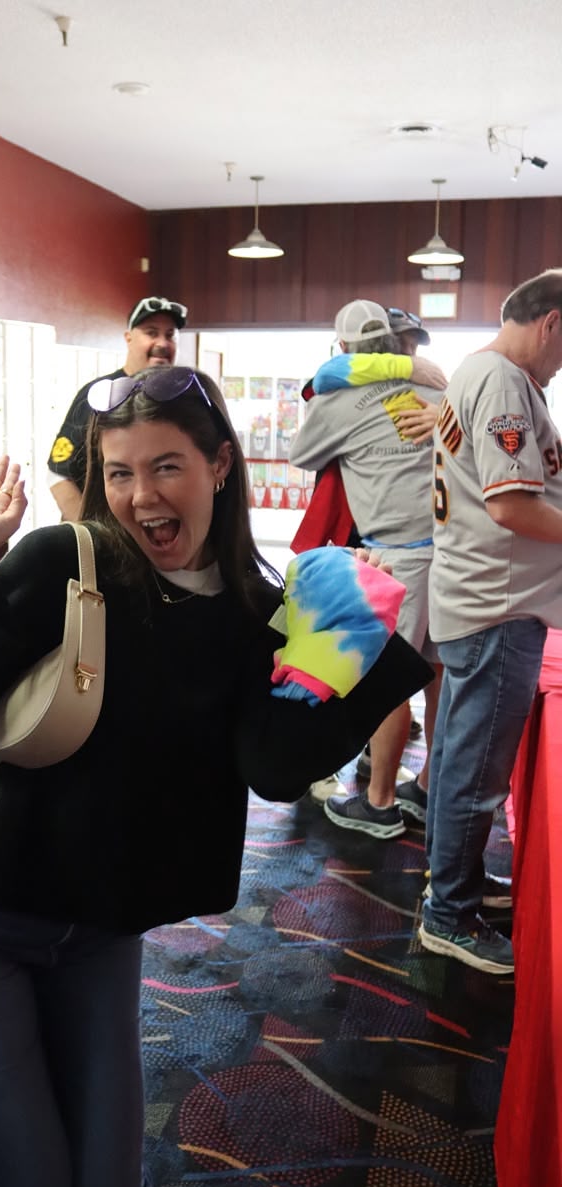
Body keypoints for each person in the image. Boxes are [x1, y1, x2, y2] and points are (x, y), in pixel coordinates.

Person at [0, 364, 431, 1187]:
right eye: (119, 472)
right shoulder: (69, 564)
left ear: (220, 465)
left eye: (166, 466)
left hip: (104, 926)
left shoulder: (255, 607)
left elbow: (275, 768)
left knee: (108, 1178)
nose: (141, 496)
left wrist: (349, 643)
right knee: (37, 1176)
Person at [420, 268, 562, 974]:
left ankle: (452, 887)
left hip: (479, 598)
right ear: (552, 323)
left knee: (457, 760)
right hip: (497, 607)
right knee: (475, 774)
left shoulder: (481, 372)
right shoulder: (503, 381)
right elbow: (511, 505)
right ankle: (450, 914)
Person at [290, 299, 444, 838]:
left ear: (343, 348)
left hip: (393, 558)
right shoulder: (433, 387)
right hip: (447, 550)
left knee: (388, 680)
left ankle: (378, 803)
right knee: (437, 674)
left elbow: (303, 454)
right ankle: (428, 786)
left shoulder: (337, 400)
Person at [47, 296, 187, 520]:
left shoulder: (184, 399)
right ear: (128, 338)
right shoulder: (99, 395)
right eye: (151, 333)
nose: (162, 343)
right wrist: (90, 532)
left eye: (170, 335)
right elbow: (58, 474)